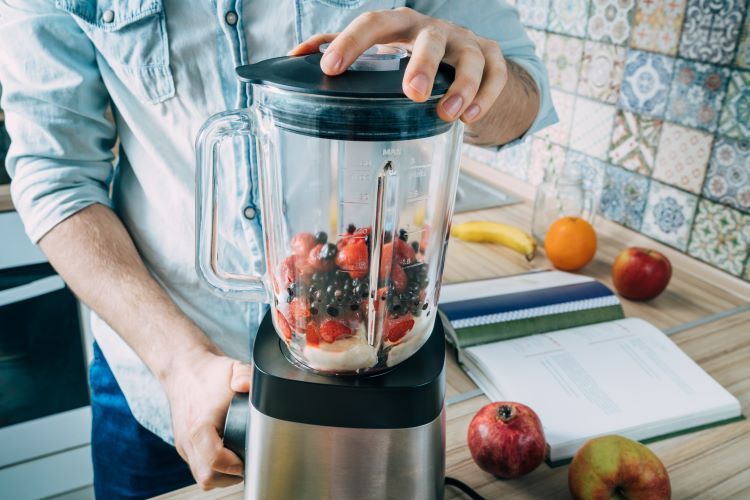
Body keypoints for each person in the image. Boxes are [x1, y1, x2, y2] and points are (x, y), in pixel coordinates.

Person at [0, 1, 556, 497]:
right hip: (158, 375)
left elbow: (525, 99)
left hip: (396, 338)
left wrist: (475, 81)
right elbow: (55, 174)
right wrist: (180, 365)